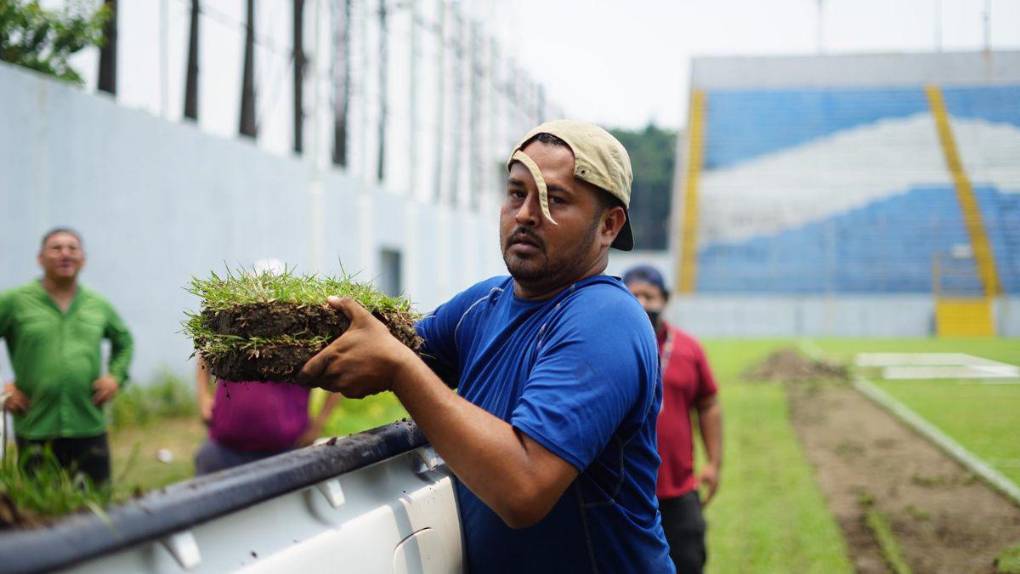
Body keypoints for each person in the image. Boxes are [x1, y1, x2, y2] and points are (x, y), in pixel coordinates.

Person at [298, 120, 675, 572]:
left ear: (608, 225)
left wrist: (398, 368)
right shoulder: (485, 304)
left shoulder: (606, 320)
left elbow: (523, 489)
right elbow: (380, 351)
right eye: (517, 193)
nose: (526, 215)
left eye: (555, 199)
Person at [0, 228, 133, 486]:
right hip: (35, 425)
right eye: (56, 248)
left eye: (73, 248)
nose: (65, 254)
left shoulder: (98, 304)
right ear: (40, 258)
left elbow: (124, 342)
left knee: (96, 504)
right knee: (40, 508)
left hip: (88, 424)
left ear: (83, 259)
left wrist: (116, 377)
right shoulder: (14, 302)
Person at [624, 264, 723, 574]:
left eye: (649, 296)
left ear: (664, 300)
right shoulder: (611, 346)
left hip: (679, 489)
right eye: (634, 295)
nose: (642, 303)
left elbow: (708, 404)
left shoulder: (689, 348)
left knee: (687, 562)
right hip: (624, 492)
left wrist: (714, 463)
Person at [192, 357, 342, 475]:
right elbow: (205, 352)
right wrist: (203, 396)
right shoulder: (230, 325)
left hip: (285, 454)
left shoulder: (307, 329)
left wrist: (318, 425)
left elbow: (338, 370)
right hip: (222, 448)